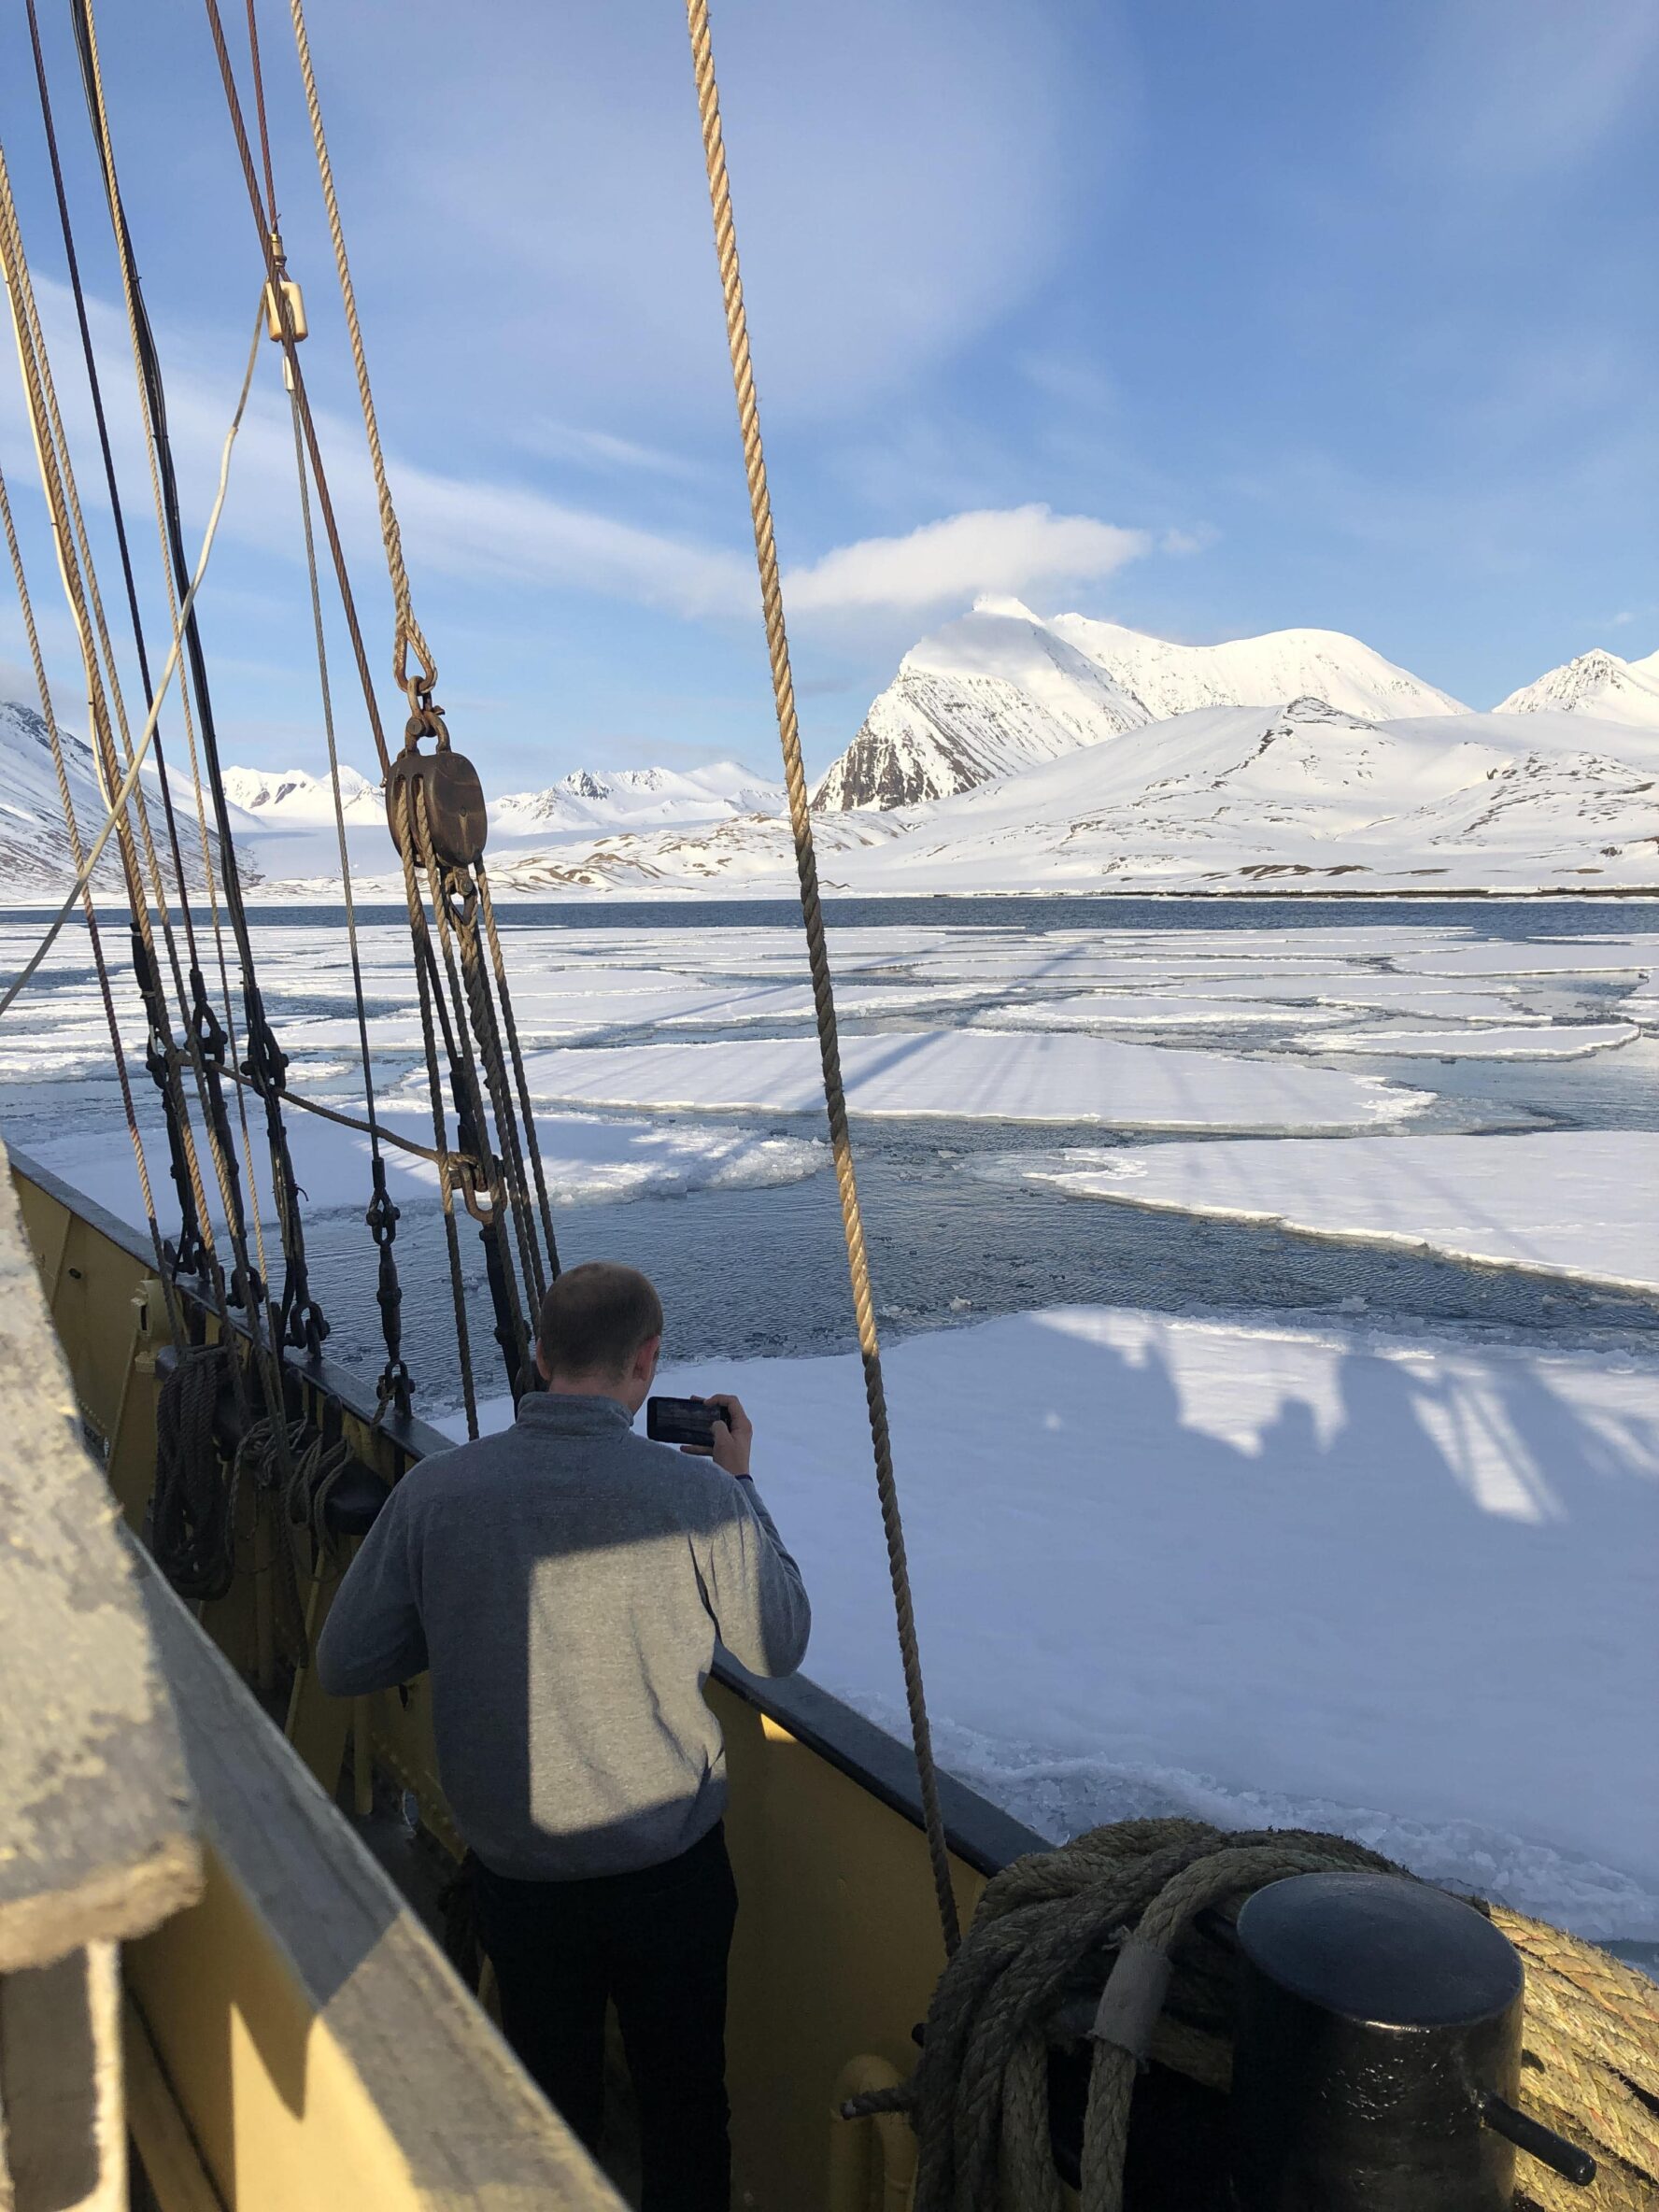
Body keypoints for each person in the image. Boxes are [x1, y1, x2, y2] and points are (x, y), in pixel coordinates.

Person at [317, 1260, 811, 2211]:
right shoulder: (695, 1495)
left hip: (524, 1879)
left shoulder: (437, 1494)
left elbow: (347, 1660)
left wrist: (465, 1613)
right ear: (648, 1361)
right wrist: (739, 1481)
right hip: (671, 1877)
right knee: (684, 2104)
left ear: (540, 1357)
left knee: (551, 2104)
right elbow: (778, 1642)